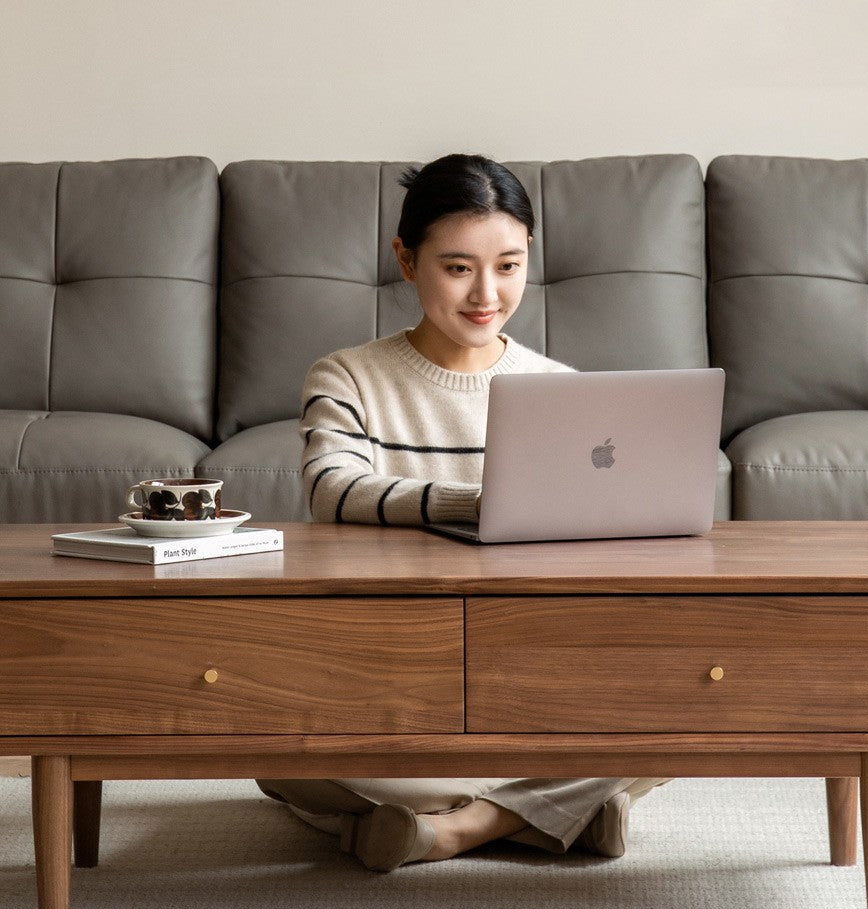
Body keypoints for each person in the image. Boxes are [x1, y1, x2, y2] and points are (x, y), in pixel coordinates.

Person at [257, 153, 664, 871]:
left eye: (508, 266)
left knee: (681, 708)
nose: (487, 293)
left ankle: (451, 828)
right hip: (390, 670)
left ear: (529, 256)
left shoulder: (560, 389)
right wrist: (481, 502)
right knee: (269, 750)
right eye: (457, 268)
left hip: (530, 674)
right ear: (405, 260)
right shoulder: (347, 375)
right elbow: (333, 489)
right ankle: (565, 806)